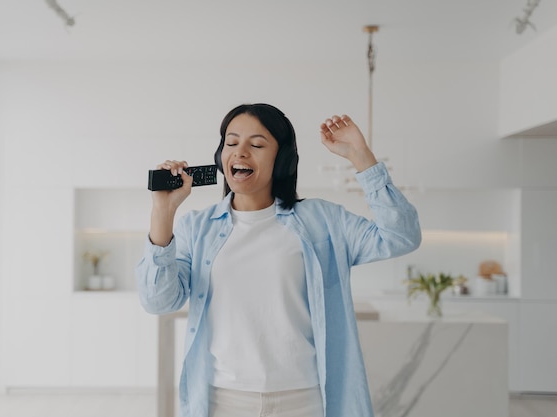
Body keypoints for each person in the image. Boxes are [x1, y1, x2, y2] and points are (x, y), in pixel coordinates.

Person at [136, 103, 421, 417]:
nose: (240, 152)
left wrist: (361, 158)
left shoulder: (323, 221)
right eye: (231, 143)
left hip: (305, 402)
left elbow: (401, 236)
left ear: (282, 159)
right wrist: (162, 213)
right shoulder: (196, 228)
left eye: (257, 145)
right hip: (223, 402)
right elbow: (158, 302)